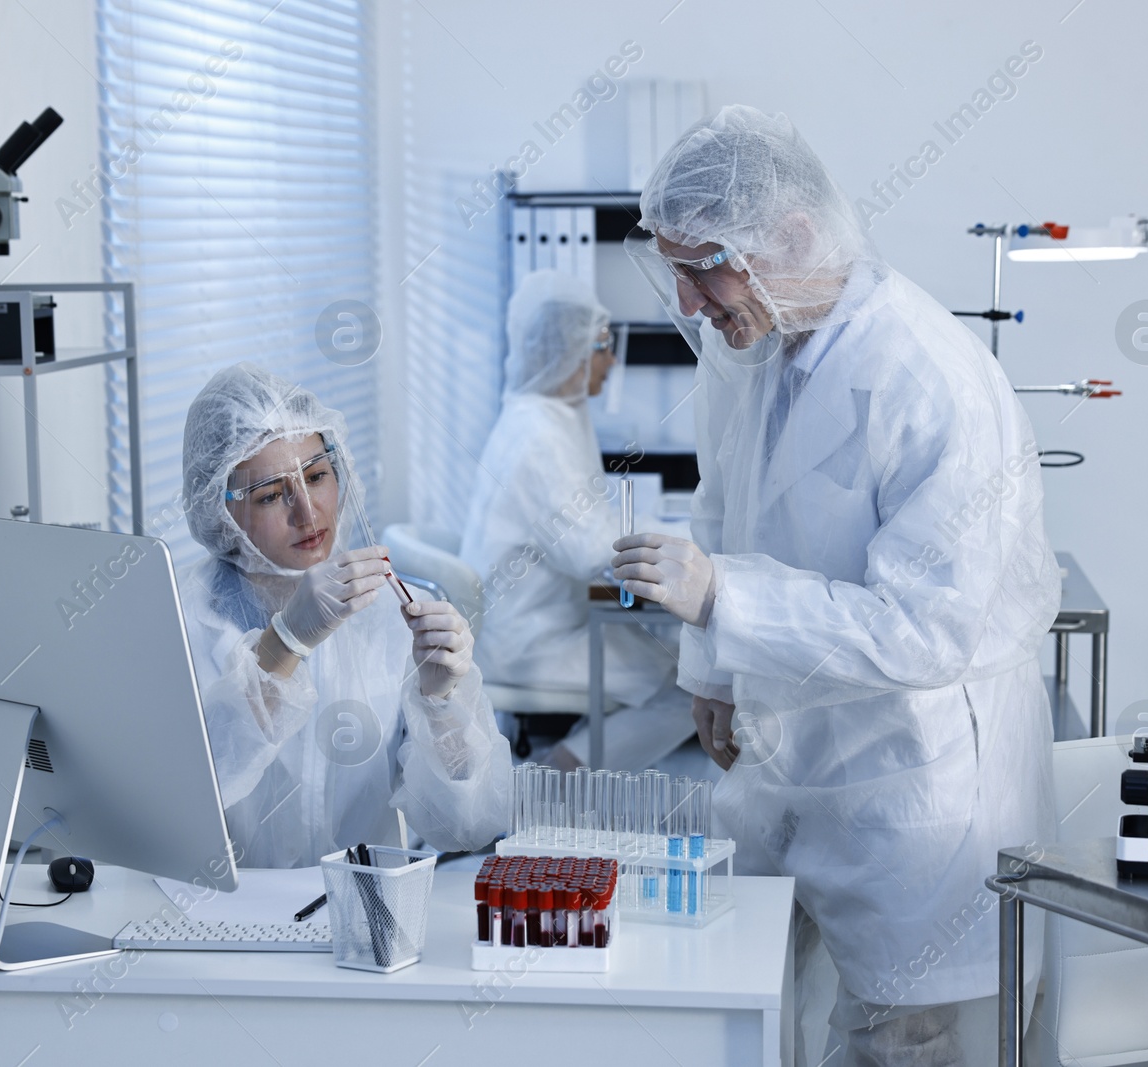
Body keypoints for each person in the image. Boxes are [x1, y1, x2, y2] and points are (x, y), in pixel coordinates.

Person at [613, 106, 1061, 1066]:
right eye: (676, 270)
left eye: (702, 267)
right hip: (790, 760)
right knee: (747, 1013)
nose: (687, 303)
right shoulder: (753, 346)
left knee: (897, 1039)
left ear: (794, 236)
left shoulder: (930, 377)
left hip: (913, 787)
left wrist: (723, 605)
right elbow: (723, 512)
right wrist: (712, 672)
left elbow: (926, 628)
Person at [180, 362, 512, 868]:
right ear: (219, 509)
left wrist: (441, 701)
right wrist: (283, 645)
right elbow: (184, 798)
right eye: (271, 494)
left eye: (316, 477)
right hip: (219, 921)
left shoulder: (389, 618)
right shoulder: (181, 620)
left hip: (365, 916)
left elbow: (462, 826)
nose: (308, 513)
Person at [461, 269, 695, 771]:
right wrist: (692, 542)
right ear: (571, 352)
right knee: (691, 677)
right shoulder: (537, 436)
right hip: (529, 643)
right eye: (602, 346)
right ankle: (546, 781)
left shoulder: (551, 412)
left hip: (547, 622)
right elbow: (592, 551)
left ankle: (557, 769)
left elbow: (591, 523)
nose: (612, 360)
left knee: (685, 657)